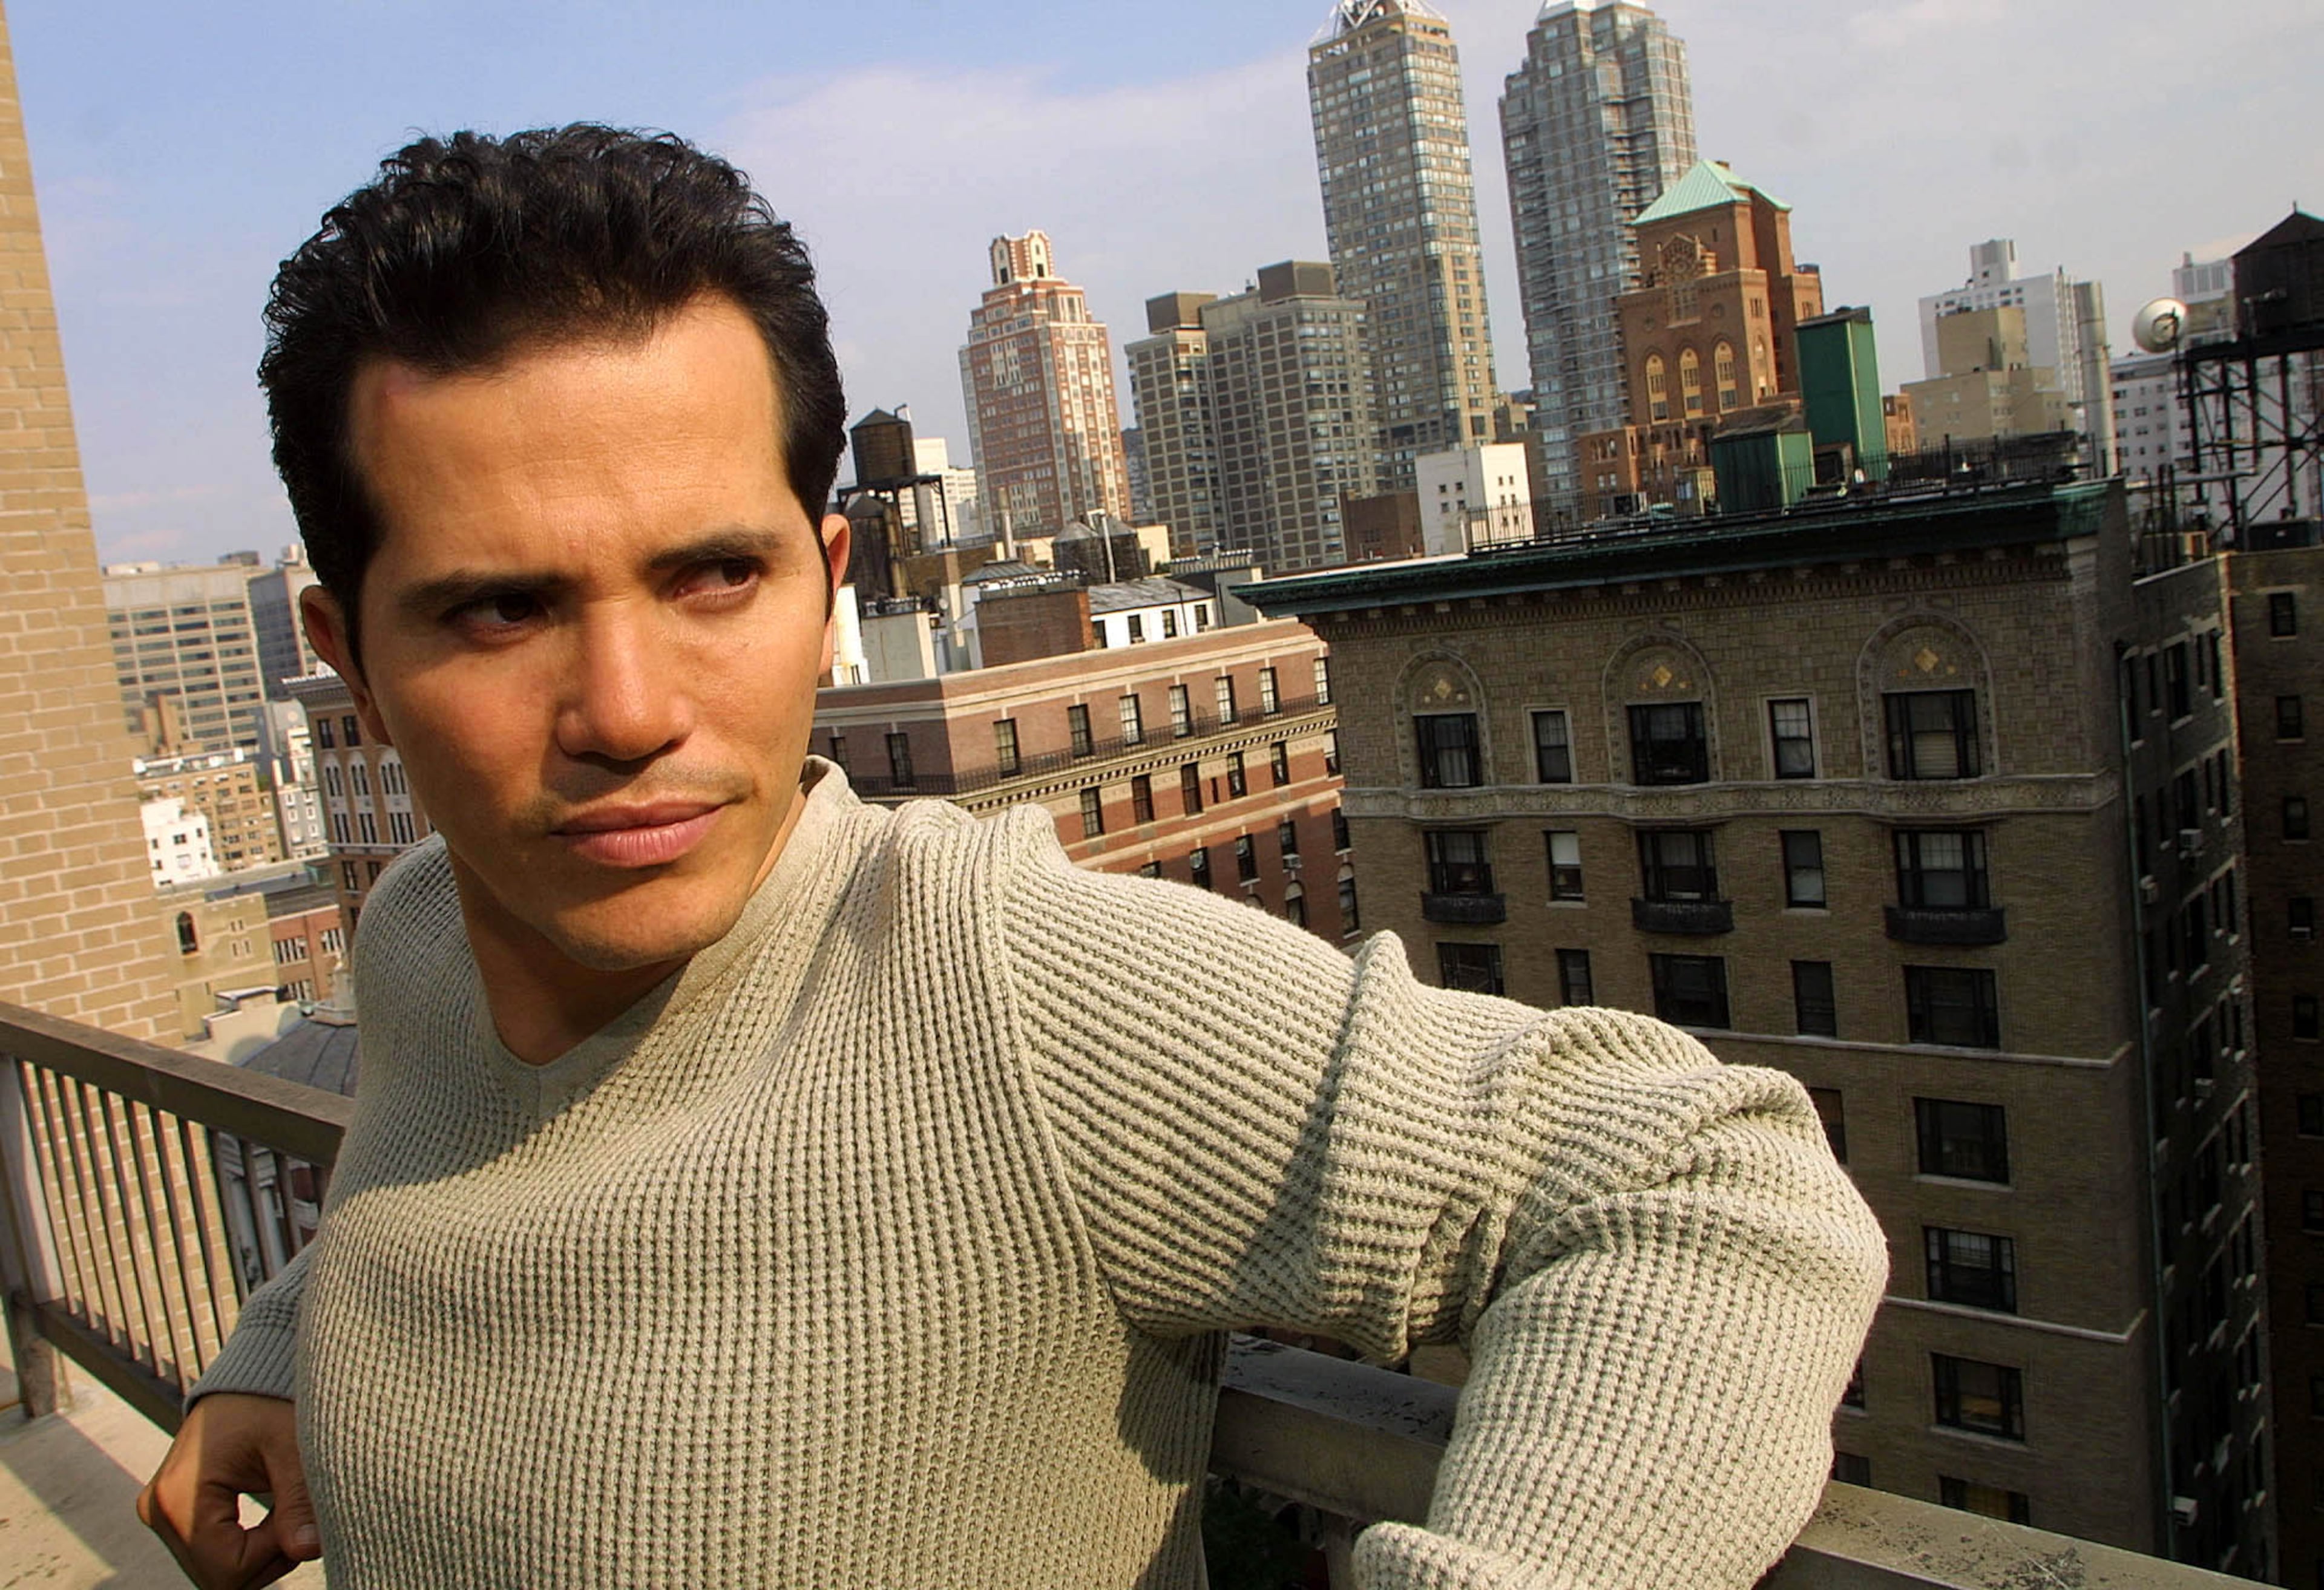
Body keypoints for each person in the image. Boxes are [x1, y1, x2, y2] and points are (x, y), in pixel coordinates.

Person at [137, 125, 1886, 1590]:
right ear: (348, 658)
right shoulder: (431, 924)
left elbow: (1697, 1177)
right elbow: (460, 1170)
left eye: (713, 578)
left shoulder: (999, 989)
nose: (625, 706)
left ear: (829, 585)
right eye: (501, 607)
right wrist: (293, 1350)